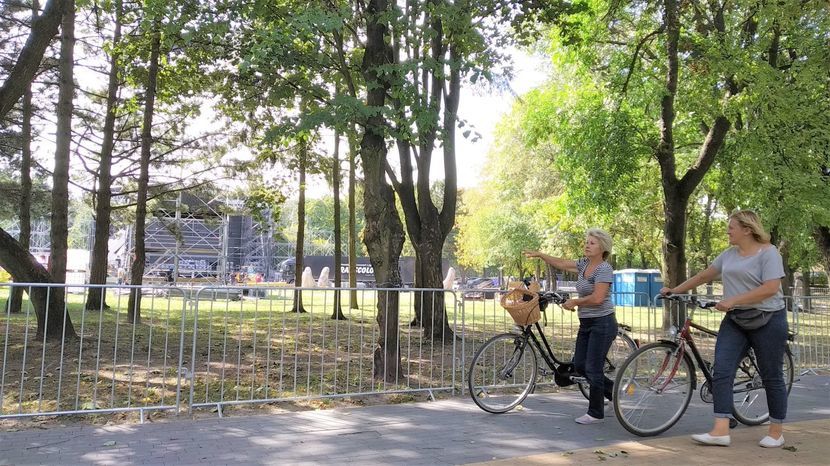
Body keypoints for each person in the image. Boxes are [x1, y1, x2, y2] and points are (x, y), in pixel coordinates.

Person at [661, 210, 787, 448]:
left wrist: (734, 299)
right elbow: (702, 276)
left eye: (731, 227)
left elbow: (771, 288)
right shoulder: (729, 254)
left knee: (772, 376)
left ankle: (776, 431)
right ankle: (720, 430)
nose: (727, 231)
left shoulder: (769, 253)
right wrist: (675, 290)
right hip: (736, 320)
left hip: (769, 319)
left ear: (747, 230)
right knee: (722, 370)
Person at [524, 228, 616, 425]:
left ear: (602, 247)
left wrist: (575, 302)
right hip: (587, 323)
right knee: (581, 366)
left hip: (603, 322)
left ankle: (596, 413)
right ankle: (612, 391)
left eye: (592, 243)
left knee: (593, 368)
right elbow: (561, 263)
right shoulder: (584, 264)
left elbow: (599, 298)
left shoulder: (604, 269)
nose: (587, 245)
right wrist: (541, 255)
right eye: (586, 241)